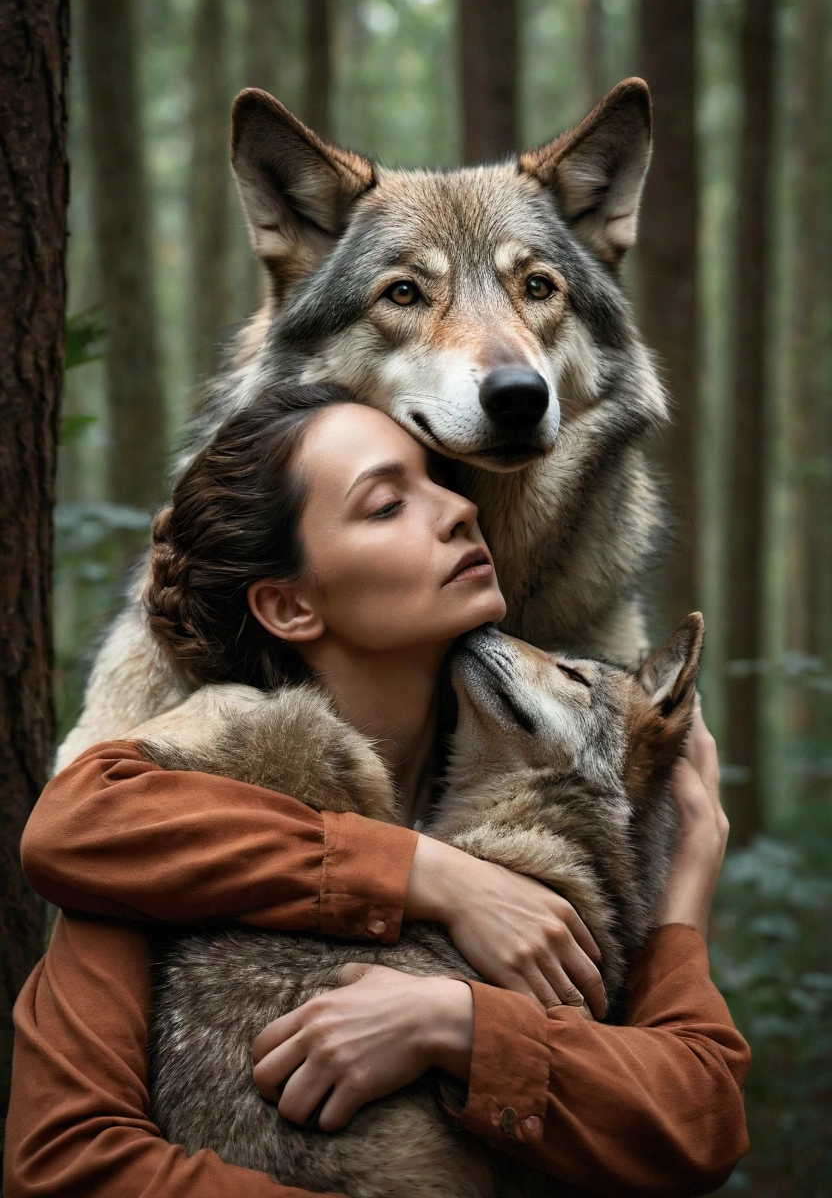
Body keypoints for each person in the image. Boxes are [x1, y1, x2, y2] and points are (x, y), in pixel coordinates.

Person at [6, 384, 749, 1198]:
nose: (459, 512)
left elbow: (698, 1128)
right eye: (387, 504)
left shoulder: (558, 788)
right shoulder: (171, 815)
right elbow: (63, 1166)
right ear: (290, 604)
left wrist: (460, 1023)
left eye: (442, 482)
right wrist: (424, 874)